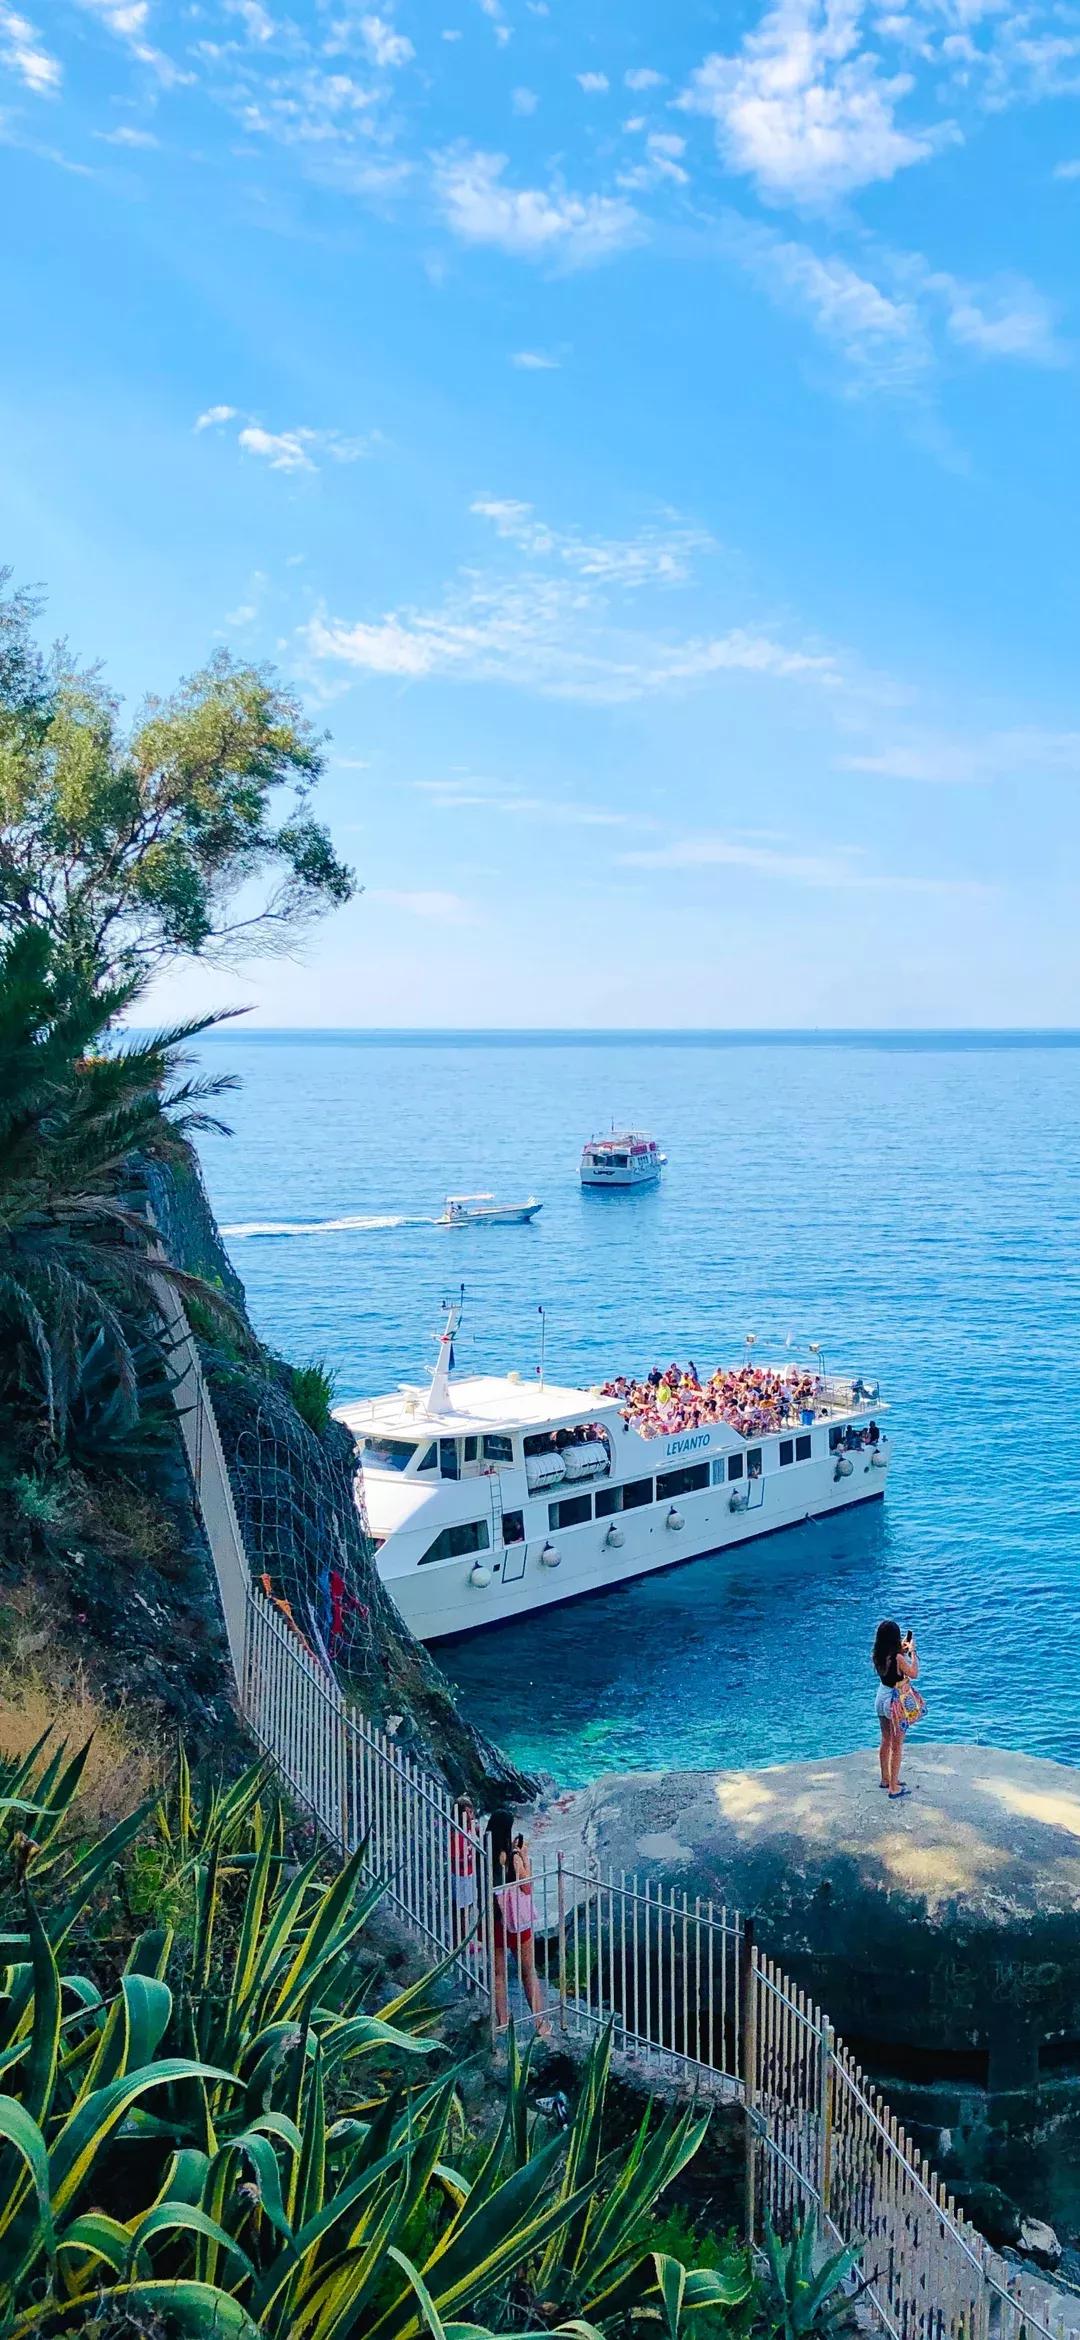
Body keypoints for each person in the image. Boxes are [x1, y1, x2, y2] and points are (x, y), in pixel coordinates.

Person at [487, 1808, 548, 2033]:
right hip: (516, 1924)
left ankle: (502, 2022)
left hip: (495, 1920)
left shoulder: (485, 1853)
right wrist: (523, 1856)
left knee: (499, 1975)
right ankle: (539, 2023)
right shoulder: (512, 1857)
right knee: (528, 1971)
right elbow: (526, 1886)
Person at [872, 1620, 919, 1799]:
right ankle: (894, 1787)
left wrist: (902, 1650)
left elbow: (892, 1665)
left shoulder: (878, 1654)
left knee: (885, 1740)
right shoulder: (899, 1658)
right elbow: (913, 1673)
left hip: (881, 1697)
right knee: (897, 1745)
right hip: (895, 1701)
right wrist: (912, 1652)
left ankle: (885, 1779)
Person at [450, 1798, 478, 1954]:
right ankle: (460, 1942)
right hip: (460, 1876)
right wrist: (468, 1858)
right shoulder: (456, 1834)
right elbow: (454, 1858)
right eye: (468, 1812)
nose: (471, 1815)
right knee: (461, 1910)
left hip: (468, 1874)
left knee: (468, 1908)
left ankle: (465, 1939)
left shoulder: (470, 1830)